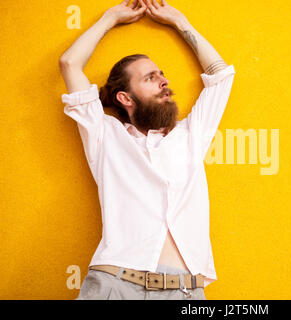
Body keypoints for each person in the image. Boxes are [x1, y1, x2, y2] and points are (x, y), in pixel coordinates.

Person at [59, 0, 236, 300]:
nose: (164, 82)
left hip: (185, 292)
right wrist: (110, 18)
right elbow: (69, 64)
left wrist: (181, 23)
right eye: (150, 78)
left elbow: (221, 76)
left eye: (162, 75)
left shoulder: (190, 136)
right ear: (125, 98)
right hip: (116, 284)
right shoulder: (105, 136)